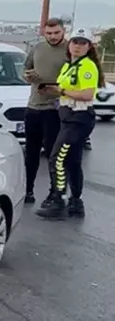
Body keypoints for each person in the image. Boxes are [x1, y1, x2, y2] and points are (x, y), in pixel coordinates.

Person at [35, 28, 104, 219]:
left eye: (82, 43)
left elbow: (88, 94)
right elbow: (64, 88)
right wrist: (51, 90)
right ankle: (76, 202)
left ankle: (58, 199)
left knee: (57, 158)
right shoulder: (69, 66)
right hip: (67, 116)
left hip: (78, 118)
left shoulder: (87, 66)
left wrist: (62, 92)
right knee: (73, 161)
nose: (77, 46)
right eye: (75, 42)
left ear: (89, 46)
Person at [21, 18, 67, 205]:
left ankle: (55, 193)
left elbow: (77, 80)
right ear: (43, 32)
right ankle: (28, 190)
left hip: (54, 110)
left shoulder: (71, 50)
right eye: (49, 33)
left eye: (56, 33)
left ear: (63, 31)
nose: (53, 36)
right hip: (33, 107)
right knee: (31, 153)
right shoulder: (37, 49)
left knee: (53, 154)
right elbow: (25, 68)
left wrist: (56, 87)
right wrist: (27, 76)